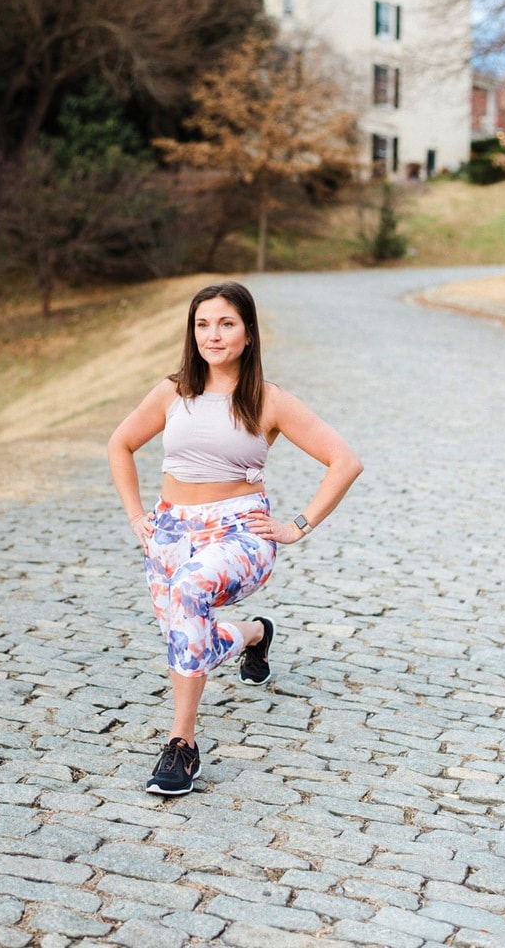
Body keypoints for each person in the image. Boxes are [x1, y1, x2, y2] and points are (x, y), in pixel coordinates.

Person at [107, 281, 363, 795]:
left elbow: (345, 461)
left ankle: (183, 746)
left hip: (240, 531)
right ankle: (253, 635)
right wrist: (138, 517)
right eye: (203, 324)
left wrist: (297, 527)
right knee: (187, 636)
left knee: (189, 599)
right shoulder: (172, 391)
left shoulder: (268, 400)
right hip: (172, 529)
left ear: (247, 334)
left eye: (226, 324)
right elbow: (121, 444)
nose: (213, 335)